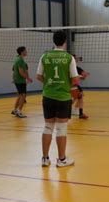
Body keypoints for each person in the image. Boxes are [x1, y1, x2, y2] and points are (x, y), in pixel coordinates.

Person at [37, 31, 79, 167]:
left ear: (54, 41)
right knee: (61, 128)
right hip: (63, 96)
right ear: (65, 42)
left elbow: (39, 76)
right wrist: (65, 85)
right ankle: (61, 160)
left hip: (48, 95)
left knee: (48, 126)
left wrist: (50, 85)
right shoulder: (68, 58)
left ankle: (45, 158)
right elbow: (75, 80)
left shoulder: (45, 56)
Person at [12, 46, 33, 118]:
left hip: (18, 80)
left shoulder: (18, 59)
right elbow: (21, 72)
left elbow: (15, 70)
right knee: (23, 96)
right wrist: (28, 78)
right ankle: (19, 111)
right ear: (22, 52)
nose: (26, 52)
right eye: (25, 50)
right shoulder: (20, 60)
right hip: (20, 80)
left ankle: (15, 110)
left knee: (20, 95)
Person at [71, 55, 89, 119]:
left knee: (78, 97)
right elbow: (76, 78)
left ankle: (76, 111)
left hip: (71, 86)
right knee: (79, 98)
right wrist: (82, 76)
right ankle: (80, 113)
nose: (75, 60)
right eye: (75, 59)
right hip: (73, 87)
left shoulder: (76, 68)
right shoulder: (73, 68)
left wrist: (84, 76)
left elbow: (83, 76)